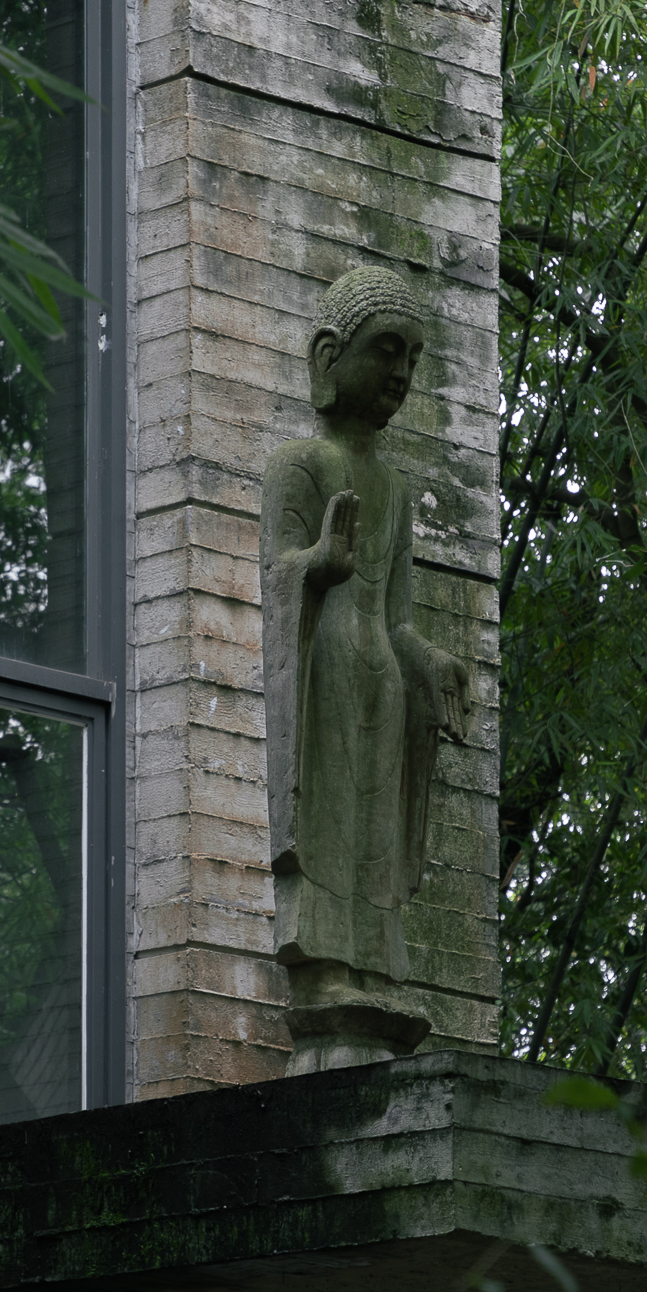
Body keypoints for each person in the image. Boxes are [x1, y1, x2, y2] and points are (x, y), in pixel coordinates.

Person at [261, 268, 471, 1065]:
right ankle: (326, 967)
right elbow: (274, 572)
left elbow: (397, 617)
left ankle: (377, 964)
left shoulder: (396, 487)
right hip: (324, 673)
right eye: (386, 350)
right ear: (328, 356)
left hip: (381, 675)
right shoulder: (299, 466)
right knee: (332, 815)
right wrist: (314, 563)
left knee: (377, 825)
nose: (400, 375)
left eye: (413, 358)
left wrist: (432, 661)